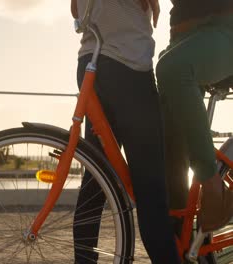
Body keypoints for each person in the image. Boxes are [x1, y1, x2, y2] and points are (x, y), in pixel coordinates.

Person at [71, 0, 180, 263]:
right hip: (128, 66)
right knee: (150, 189)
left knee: (96, 179)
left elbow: (75, 10)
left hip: (91, 62)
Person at [156, 0, 233, 233]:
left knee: (171, 68)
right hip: (183, 37)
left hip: (223, 27)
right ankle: (182, 244)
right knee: (170, 154)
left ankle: (211, 183)